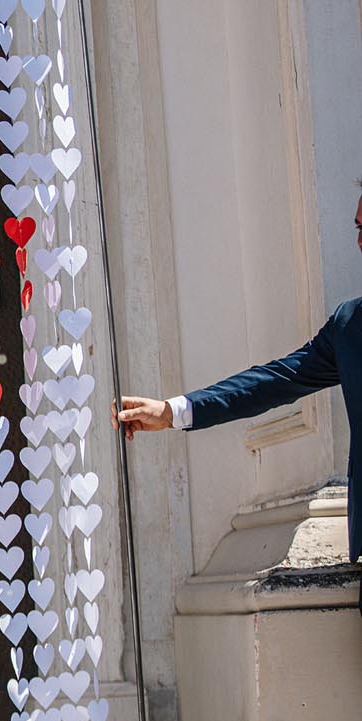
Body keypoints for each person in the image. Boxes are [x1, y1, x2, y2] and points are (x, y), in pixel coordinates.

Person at [115, 189, 362, 580]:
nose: (360, 241)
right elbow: (274, 381)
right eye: (358, 227)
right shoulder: (350, 326)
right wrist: (171, 411)